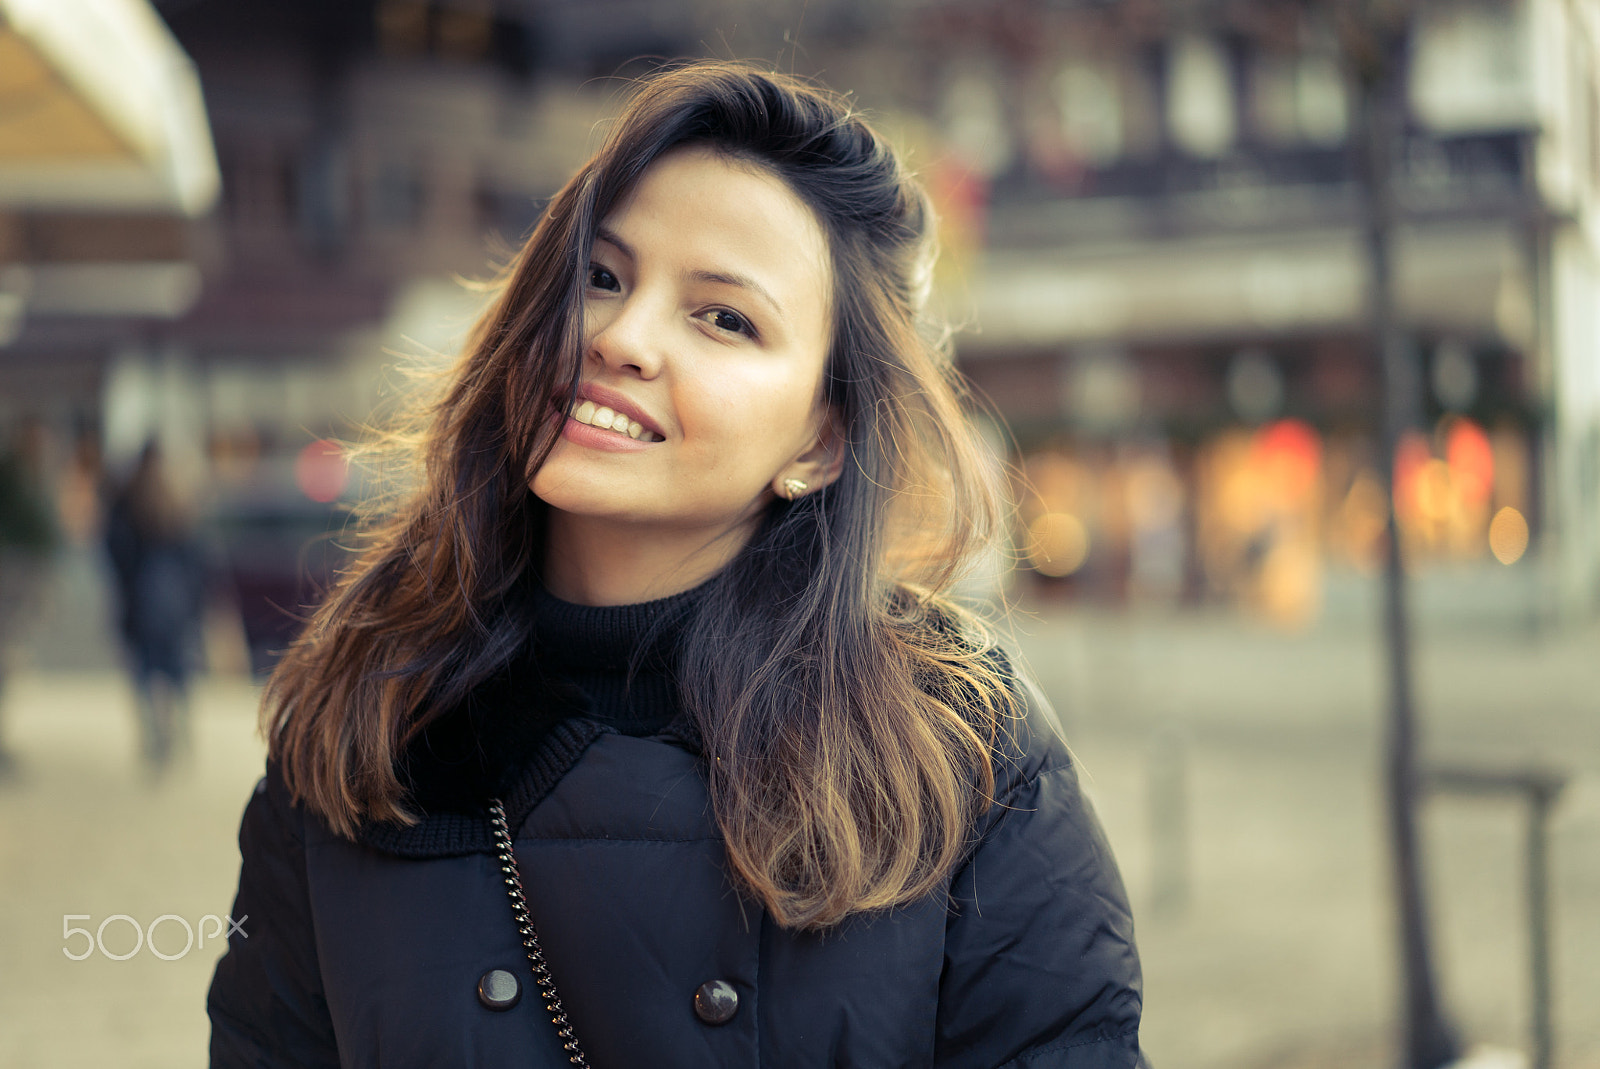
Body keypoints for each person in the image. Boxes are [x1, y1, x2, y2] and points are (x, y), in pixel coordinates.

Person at [208, 61, 1148, 1068]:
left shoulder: (958, 748)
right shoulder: (366, 717)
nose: (621, 337)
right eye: (601, 277)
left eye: (723, 317)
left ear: (819, 441)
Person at [104, 440, 206, 774]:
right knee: (175, 671)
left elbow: (115, 553)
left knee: (146, 672)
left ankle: (156, 740)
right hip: (171, 603)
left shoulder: (129, 501)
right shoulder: (175, 501)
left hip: (143, 601)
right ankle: (177, 735)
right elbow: (198, 560)